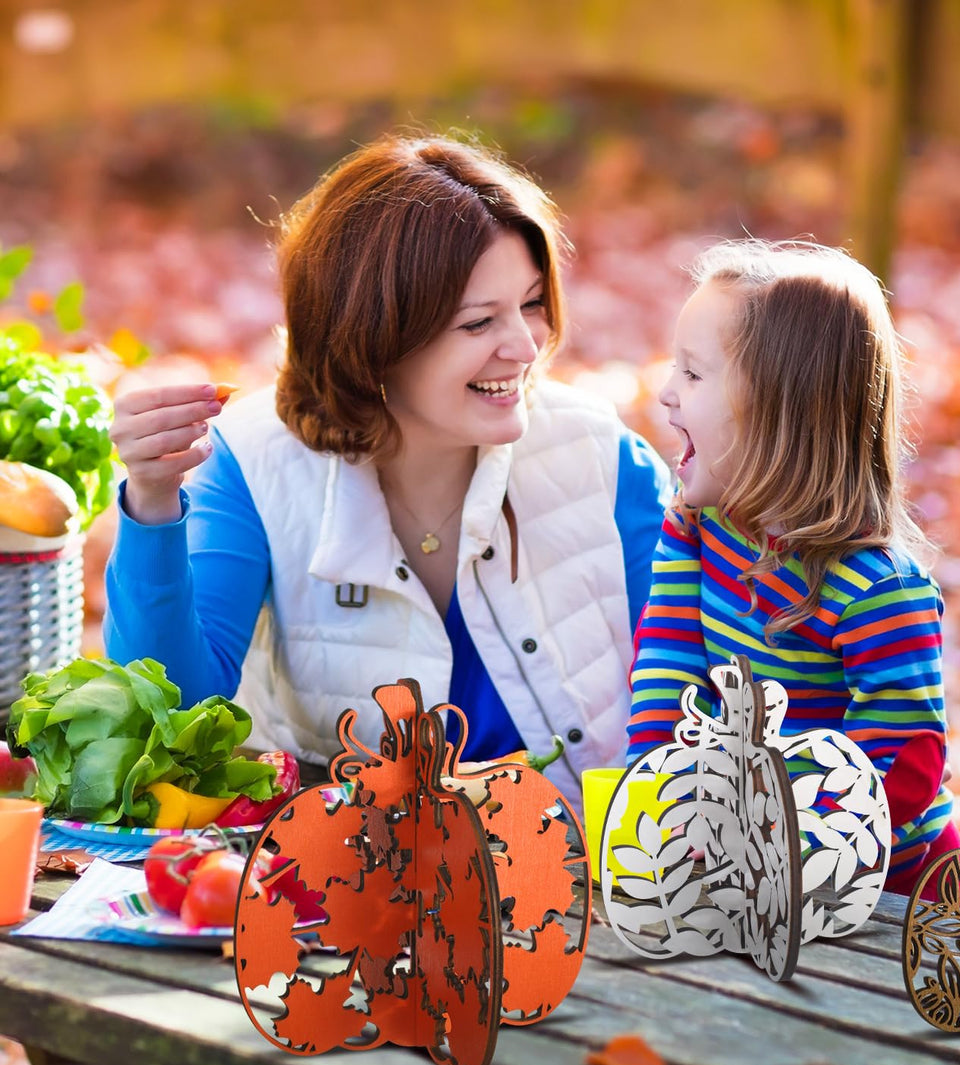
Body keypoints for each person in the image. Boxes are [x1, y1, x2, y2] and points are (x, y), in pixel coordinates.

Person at [105, 134, 670, 807]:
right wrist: (152, 502)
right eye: (478, 323)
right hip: (350, 878)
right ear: (373, 339)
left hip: (590, 883)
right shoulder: (253, 464)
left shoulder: (606, 459)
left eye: (531, 303)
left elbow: (690, 704)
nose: (524, 346)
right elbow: (172, 712)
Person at [625, 239, 956, 892]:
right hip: (747, 857)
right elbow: (669, 668)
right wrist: (658, 794)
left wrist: (789, 852)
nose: (665, 394)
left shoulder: (876, 593)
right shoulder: (700, 528)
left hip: (892, 887)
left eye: (692, 375)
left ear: (779, 410)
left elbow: (904, 763)